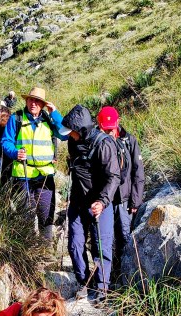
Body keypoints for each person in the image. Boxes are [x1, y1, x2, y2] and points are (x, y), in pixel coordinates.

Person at [62, 105, 120, 302]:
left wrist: (102, 202)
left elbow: (113, 177)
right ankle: (84, 282)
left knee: (101, 246)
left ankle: (102, 289)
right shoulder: (73, 141)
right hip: (78, 202)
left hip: (99, 204)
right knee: (75, 245)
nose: (69, 134)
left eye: (72, 131)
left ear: (82, 130)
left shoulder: (104, 144)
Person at [1, 87, 68, 239]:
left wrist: (55, 113)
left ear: (43, 104)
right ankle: (27, 250)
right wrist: (15, 152)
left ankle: (45, 251)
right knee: (25, 215)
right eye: (31, 100)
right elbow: (6, 141)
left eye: (38, 101)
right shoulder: (16, 118)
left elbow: (64, 135)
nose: (33, 104)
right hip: (22, 175)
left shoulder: (49, 120)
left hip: (44, 177)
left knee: (46, 216)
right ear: (26, 100)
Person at [97, 106, 145, 282]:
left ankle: (124, 277)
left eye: (112, 128)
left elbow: (138, 173)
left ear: (118, 122)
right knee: (106, 240)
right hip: (105, 200)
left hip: (125, 200)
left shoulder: (129, 141)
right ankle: (108, 276)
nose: (110, 132)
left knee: (124, 238)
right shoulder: (98, 141)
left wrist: (135, 200)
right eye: (106, 129)